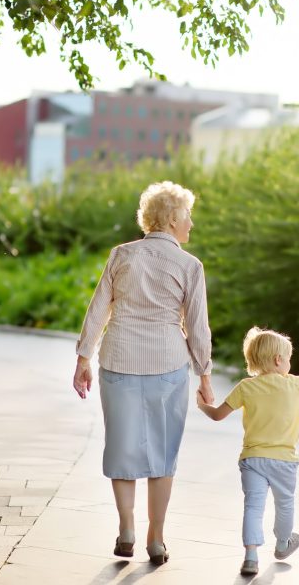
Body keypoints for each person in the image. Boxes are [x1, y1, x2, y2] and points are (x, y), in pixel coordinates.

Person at [72, 181, 215, 566]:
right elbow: (198, 329)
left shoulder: (122, 255)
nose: (191, 224)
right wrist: (204, 375)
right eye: (187, 216)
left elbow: (98, 308)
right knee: (162, 453)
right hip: (168, 367)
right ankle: (156, 538)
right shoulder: (190, 266)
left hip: (118, 361)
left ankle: (126, 529)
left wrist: (84, 358)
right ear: (172, 219)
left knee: (122, 446)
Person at [196, 327, 299, 576]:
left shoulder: (245, 387)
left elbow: (218, 415)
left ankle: (251, 556)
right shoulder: (293, 384)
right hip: (284, 460)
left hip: (253, 459)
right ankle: (283, 543)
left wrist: (202, 405)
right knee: (285, 504)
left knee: (253, 506)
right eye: (289, 358)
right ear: (278, 360)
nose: (290, 364)